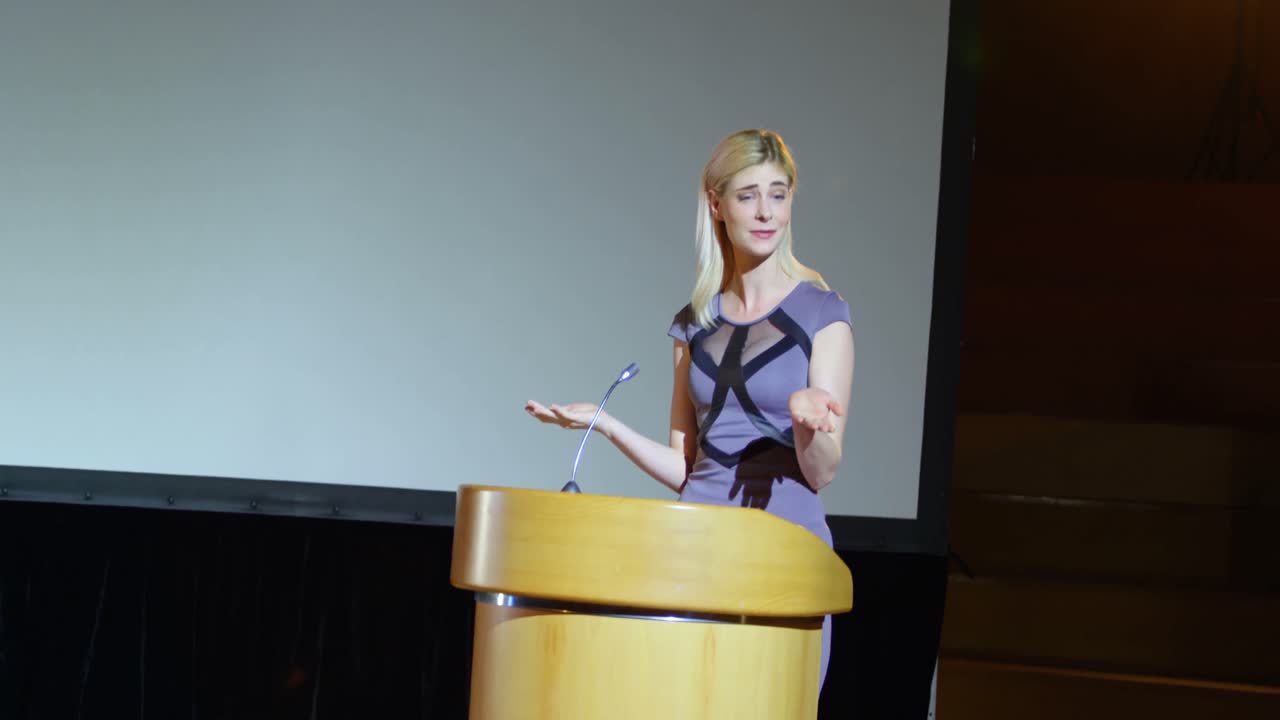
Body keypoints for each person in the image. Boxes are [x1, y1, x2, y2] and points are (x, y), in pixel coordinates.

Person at [524, 128, 855, 688]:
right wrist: (605, 426)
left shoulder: (825, 314)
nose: (766, 211)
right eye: (748, 195)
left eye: (778, 193)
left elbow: (821, 471)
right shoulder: (693, 323)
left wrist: (807, 424)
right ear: (717, 204)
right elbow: (687, 468)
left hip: (785, 553)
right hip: (694, 552)